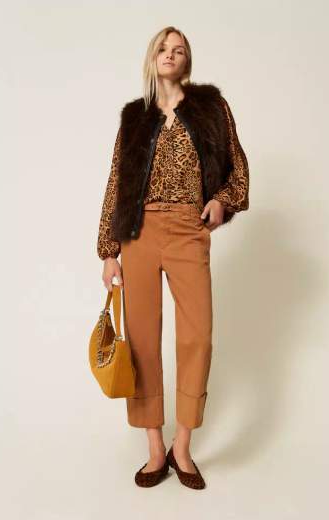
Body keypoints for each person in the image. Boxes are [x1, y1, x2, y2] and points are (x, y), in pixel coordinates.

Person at [96, 26, 249, 489]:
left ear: (187, 61)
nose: (170, 54)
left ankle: (182, 446)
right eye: (163, 48)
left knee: (197, 336)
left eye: (178, 49)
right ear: (152, 57)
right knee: (142, 340)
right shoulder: (135, 118)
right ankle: (154, 449)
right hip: (139, 232)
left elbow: (237, 168)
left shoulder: (211, 108)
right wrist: (109, 251)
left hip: (187, 228)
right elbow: (116, 182)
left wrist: (221, 201)